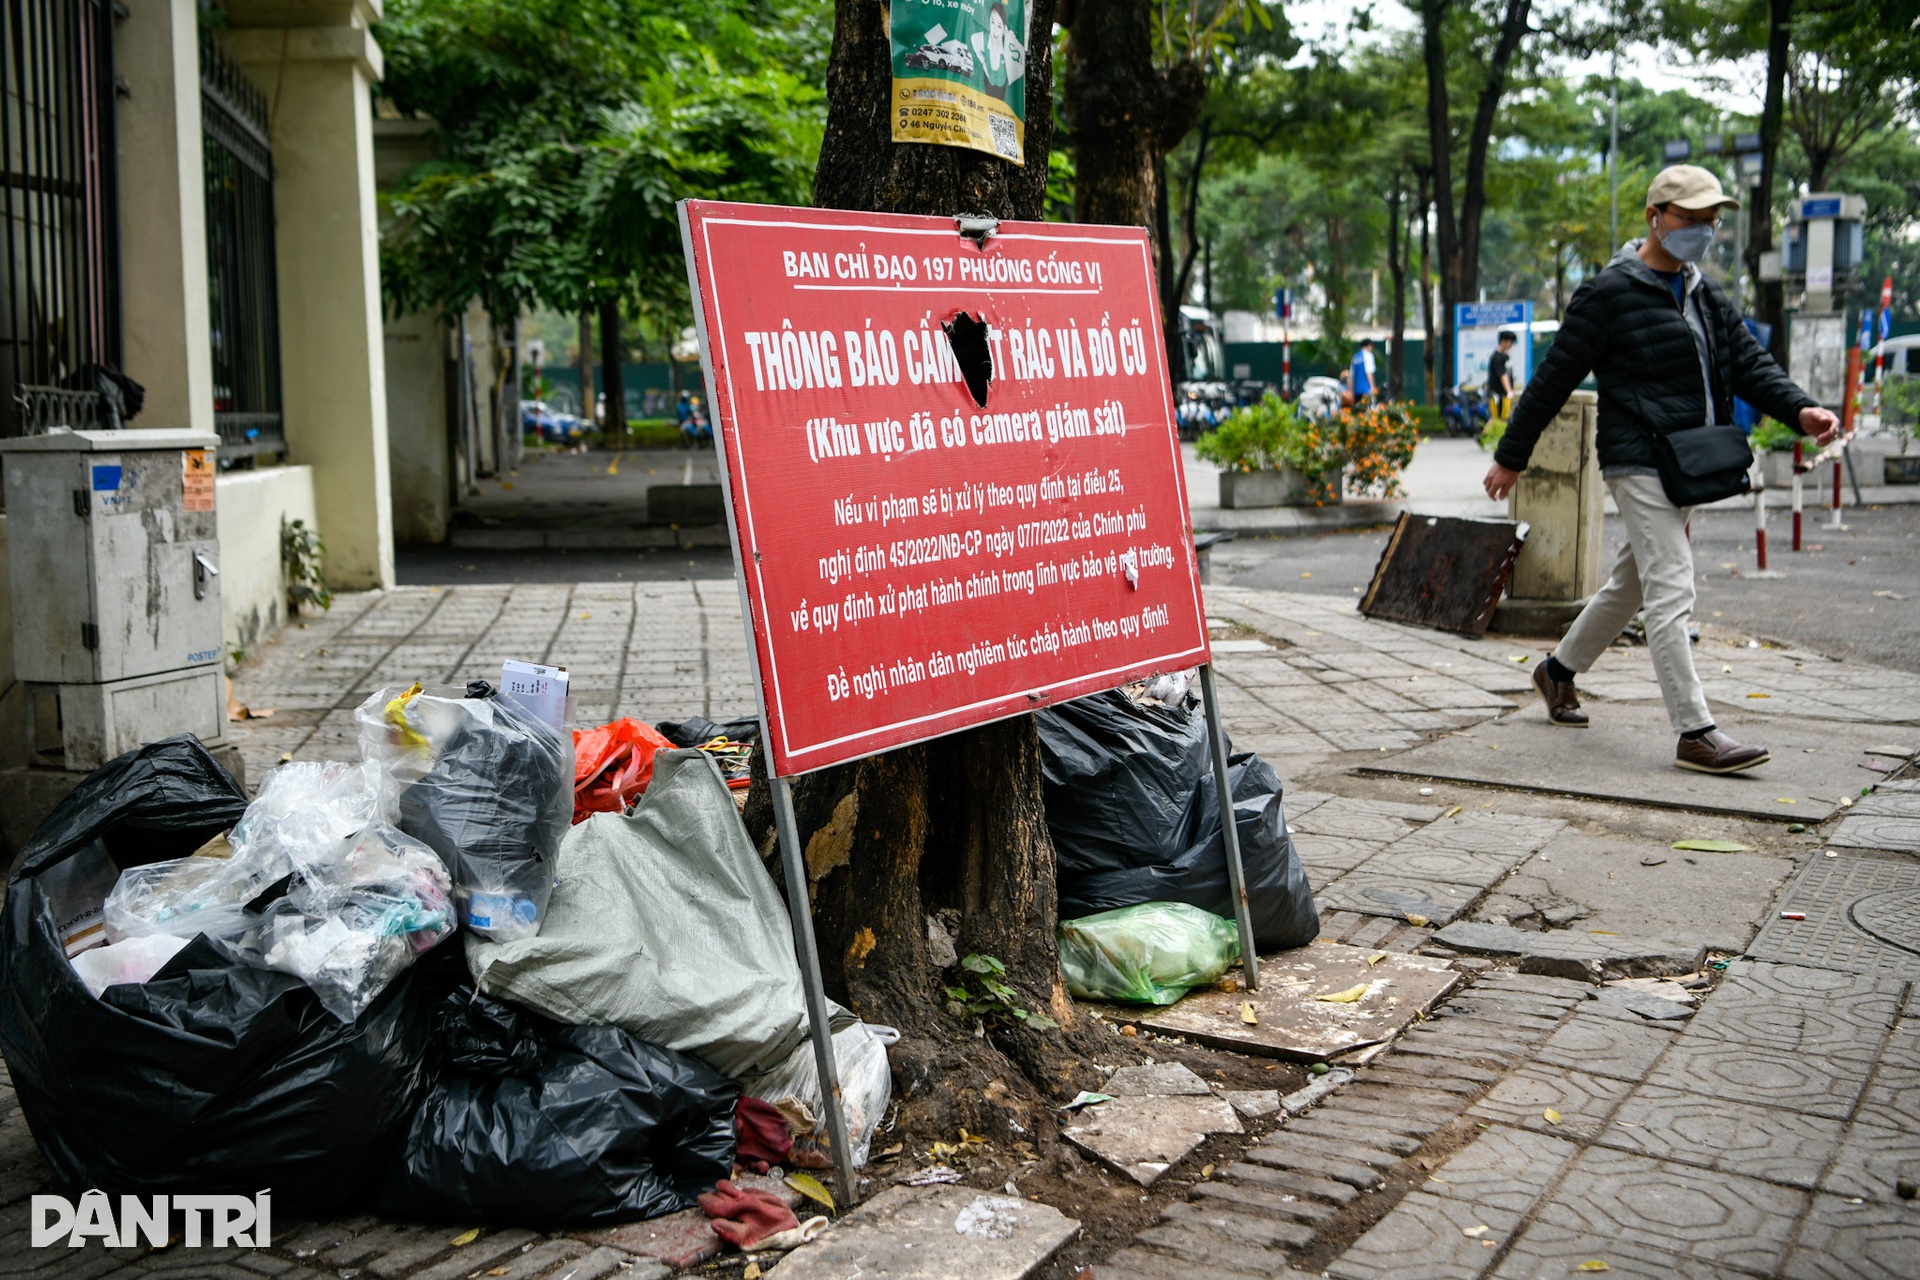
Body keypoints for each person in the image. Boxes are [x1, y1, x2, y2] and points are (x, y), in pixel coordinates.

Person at [1483, 165, 1840, 775]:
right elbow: (1552, 378)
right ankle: (1695, 732)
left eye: (1711, 221)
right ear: (1655, 218)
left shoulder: (1704, 293)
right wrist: (1511, 458)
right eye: (1691, 219)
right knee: (1672, 583)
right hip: (1636, 456)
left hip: (1688, 459)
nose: (1704, 230)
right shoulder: (1608, 293)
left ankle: (1557, 670)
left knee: (1632, 584)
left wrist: (1800, 409)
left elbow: (1750, 363)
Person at [1487, 330, 1517, 417]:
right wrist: (1509, 391)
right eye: (1510, 342)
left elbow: (1508, 374)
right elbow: (1502, 375)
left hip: (1504, 395)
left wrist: (1511, 388)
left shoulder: (1506, 357)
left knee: (1505, 417)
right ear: (1503, 341)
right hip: (1497, 395)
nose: (1511, 344)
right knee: (1497, 418)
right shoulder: (1497, 357)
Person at [1349, 338, 1376, 403]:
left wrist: (1350, 391)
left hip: (1356, 390)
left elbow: (1352, 376)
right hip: (1366, 390)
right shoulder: (1368, 355)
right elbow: (1369, 373)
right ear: (1369, 345)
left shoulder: (1355, 357)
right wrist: (1372, 387)